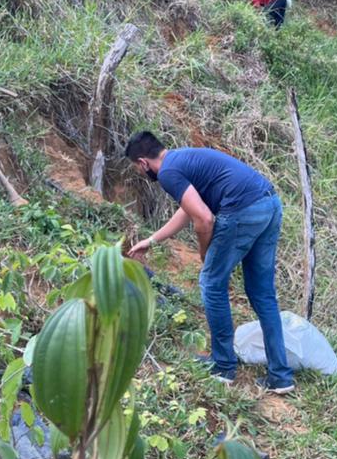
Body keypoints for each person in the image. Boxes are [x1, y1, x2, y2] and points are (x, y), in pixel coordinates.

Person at [125, 131, 295, 394]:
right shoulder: (182, 159)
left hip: (242, 209)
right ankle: (281, 376)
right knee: (262, 293)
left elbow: (204, 219)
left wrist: (205, 254)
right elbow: (188, 210)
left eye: (137, 168)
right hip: (269, 204)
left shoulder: (168, 173)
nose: (140, 173)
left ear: (143, 163)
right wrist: (152, 240)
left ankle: (223, 367)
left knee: (211, 283)